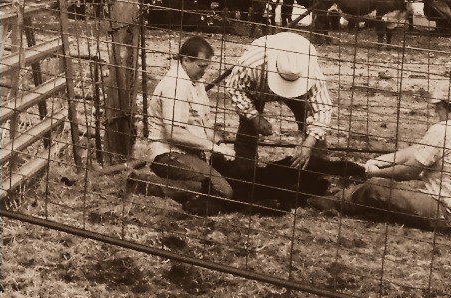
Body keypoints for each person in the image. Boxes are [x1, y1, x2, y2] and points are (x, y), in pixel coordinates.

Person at [309, 81, 451, 234]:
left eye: (439, 108)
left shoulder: (444, 129)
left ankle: (333, 202)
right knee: (387, 190)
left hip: (450, 215)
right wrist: (382, 161)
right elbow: (420, 149)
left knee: (376, 188)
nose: (435, 113)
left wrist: (374, 173)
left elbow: (410, 171)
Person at [140, 36, 236, 209]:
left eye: (207, 66)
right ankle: (147, 184)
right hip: (168, 154)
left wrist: (220, 144)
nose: (205, 71)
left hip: (191, 153)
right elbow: (173, 133)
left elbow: (203, 124)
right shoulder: (175, 85)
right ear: (185, 60)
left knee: (231, 180)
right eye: (201, 66)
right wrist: (212, 147)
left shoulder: (195, 82)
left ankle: (192, 188)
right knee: (222, 191)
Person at [225, 31, 333, 174]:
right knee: (248, 129)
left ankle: (318, 170)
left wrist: (309, 143)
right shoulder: (252, 63)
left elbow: (323, 108)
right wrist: (253, 116)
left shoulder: (309, 69)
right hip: (256, 90)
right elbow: (234, 88)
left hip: (300, 93)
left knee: (312, 130)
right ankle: (244, 172)